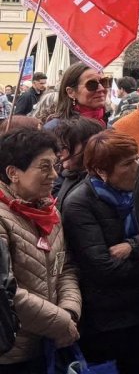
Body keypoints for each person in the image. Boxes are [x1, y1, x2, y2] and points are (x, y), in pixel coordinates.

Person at [61, 131, 139, 374]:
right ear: (101, 171)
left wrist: (132, 246)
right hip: (104, 319)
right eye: (127, 163)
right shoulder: (79, 203)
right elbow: (103, 267)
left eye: (137, 158)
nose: (137, 167)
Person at [0, 125, 79, 374]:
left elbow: (64, 267)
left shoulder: (49, 210)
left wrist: (69, 311)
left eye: (55, 165)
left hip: (47, 342)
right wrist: (59, 322)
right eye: (44, 167)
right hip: (11, 349)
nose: (55, 175)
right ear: (13, 173)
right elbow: (6, 291)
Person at [50, 116, 104, 205]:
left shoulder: (101, 185)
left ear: (89, 146)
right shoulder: (68, 175)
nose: (59, 153)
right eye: (60, 147)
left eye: (65, 147)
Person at [45, 64, 110, 129]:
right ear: (71, 92)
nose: (101, 89)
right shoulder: (55, 129)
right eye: (92, 84)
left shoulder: (110, 127)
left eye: (104, 82)